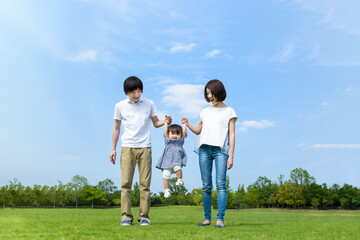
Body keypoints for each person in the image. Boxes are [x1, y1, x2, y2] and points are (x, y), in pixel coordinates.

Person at [109, 76, 172, 226]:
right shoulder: (119, 106)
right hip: (127, 147)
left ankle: (144, 216)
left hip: (145, 147)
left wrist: (166, 121)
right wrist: (113, 149)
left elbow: (156, 123)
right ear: (127, 92)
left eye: (139, 91)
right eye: (133, 92)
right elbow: (116, 128)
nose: (136, 95)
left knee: (144, 184)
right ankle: (126, 217)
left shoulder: (149, 104)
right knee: (126, 184)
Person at [181, 79, 237, 228]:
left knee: (220, 185)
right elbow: (198, 130)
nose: (210, 96)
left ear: (219, 92)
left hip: (220, 151)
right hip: (204, 149)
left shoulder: (229, 111)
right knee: (206, 186)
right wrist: (187, 124)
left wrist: (231, 155)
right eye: (207, 94)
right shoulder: (205, 112)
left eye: (211, 93)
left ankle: (220, 218)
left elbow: (231, 135)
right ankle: (207, 218)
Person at [155, 123, 187, 198]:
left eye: (177, 133)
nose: (175, 135)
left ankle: (180, 179)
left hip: (176, 160)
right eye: (172, 133)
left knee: (177, 168)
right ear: (168, 135)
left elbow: (184, 132)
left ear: (181, 135)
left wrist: (184, 124)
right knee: (165, 174)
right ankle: (166, 190)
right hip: (167, 162)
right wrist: (166, 123)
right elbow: (165, 131)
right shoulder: (167, 141)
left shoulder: (180, 142)